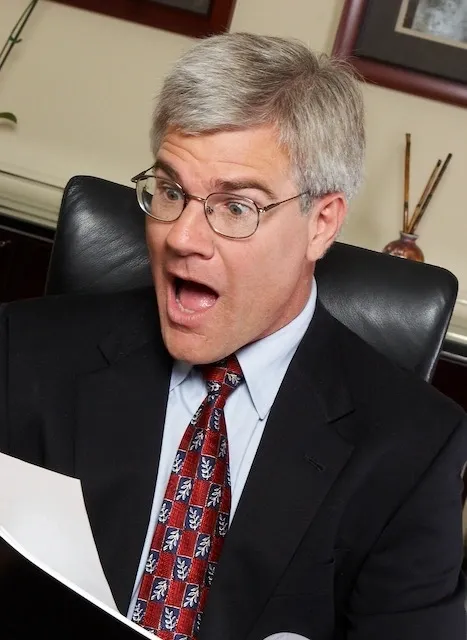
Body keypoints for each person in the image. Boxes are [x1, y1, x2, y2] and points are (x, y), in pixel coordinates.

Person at [0, 31, 466, 640]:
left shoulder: (414, 450)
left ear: (321, 223)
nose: (183, 237)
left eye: (236, 207)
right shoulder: (26, 352)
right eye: (170, 192)